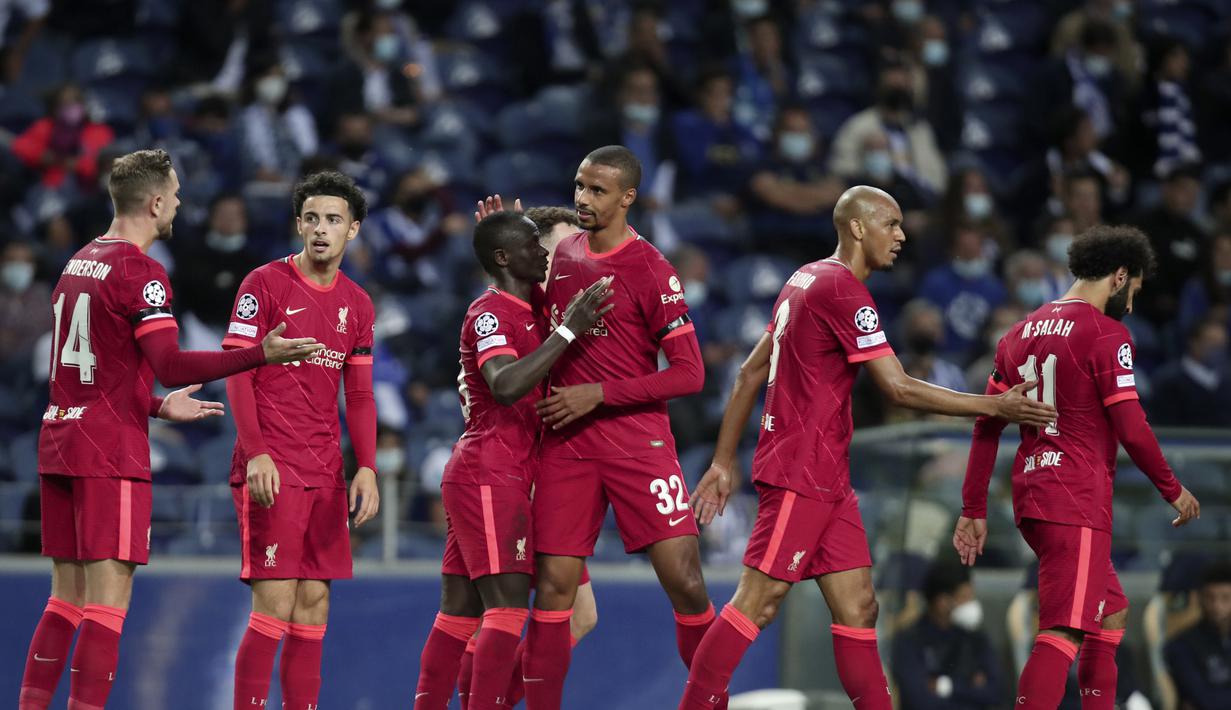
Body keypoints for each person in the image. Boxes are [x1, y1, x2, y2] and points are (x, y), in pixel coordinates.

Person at [676, 185, 1056, 710]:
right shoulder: (843, 291)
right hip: (800, 470)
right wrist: (994, 408)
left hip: (827, 476)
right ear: (857, 227)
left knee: (860, 608)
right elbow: (897, 387)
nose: (900, 236)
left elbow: (748, 373)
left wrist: (724, 460)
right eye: (890, 223)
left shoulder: (803, 277)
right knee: (757, 603)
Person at [18, 148, 320, 710]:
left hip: (60, 438)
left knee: (65, 600)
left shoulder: (78, 261)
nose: (180, 204)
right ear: (155, 202)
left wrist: (156, 409)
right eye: (176, 195)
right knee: (108, 604)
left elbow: (91, 369)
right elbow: (171, 363)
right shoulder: (141, 269)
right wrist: (260, 353)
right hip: (108, 451)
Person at [955, 225, 1202, 710]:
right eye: (1132, 293)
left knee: (1110, 616)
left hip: (1034, 496)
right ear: (1119, 276)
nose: (1130, 306)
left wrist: (974, 505)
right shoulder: (1107, 334)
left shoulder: (1017, 334)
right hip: (1075, 500)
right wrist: (1172, 489)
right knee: (1063, 631)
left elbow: (986, 423)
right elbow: (1131, 427)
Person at [525, 146, 712, 709]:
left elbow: (690, 373)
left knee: (685, 582)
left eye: (597, 190)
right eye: (580, 186)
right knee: (555, 589)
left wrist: (599, 394)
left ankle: (710, 701)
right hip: (569, 445)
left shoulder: (653, 270)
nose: (583, 199)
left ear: (628, 197)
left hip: (638, 443)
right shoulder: (563, 257)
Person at [413, 211, 612, 710]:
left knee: (458, 613)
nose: (544, 253)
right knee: (505, 610)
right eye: (532, 245)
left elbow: (554, 278)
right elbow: (504, 386)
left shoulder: (530, 306)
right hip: (490, 471)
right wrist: (567, 334)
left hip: (502, 473)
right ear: (504, 257)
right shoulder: (489, 312)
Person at [221, 171, 381, 710]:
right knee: (275, 603)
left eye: (333, 220)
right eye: (311, 218)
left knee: (314, 605)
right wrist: (258, 451)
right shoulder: (262, 285)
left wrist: (367, 467)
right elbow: (237, 372)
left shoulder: (358, 304)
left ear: (352, 230)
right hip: (271, 464)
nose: (320, 229)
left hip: (325, 471)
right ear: (298, 225)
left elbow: (358, 395)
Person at [891, 559, 1003, 710]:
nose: (971, 605)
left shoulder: (976, 638)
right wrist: (971, 689)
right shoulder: (909, 641)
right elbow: (920, 702)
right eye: (964, 598)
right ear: (942, 602)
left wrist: (946, 686)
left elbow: (995, 693)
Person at [1165, 560, 1231, 709]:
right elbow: (1205, 700)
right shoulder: (1182, 646)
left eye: (1225, 598)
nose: (1217, 606)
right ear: (1200, 598)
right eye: (1210, 598)